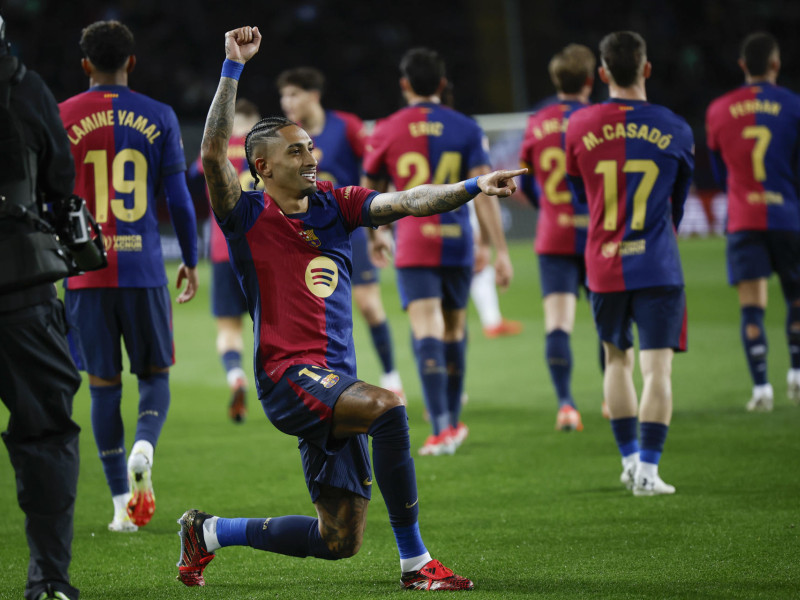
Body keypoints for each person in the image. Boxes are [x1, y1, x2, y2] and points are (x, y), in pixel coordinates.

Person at [176, 25, 524, 591]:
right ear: (262, 168)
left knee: (337, 541)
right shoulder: (245, 217)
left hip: (334, 377)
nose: (311, 156)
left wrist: (474, 186)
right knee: (388, 407)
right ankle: (416, 563)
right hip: (288, 376)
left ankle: (209, 532)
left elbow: (408, 200)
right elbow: (214, 152)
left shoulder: (337, 205)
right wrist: (232, 68)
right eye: (296, 151)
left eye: (310, 147)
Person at [59, 20, 199, 532]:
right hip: (142, 269)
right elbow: (180, 198)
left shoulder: (61, 116)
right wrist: (190, 257)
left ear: (85, 65)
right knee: (155, 376)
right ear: (131, 63)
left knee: (101, 388)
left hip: (85, 272)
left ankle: (122, 505)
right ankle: (145, 443)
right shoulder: (159, 115)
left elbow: (51, 198)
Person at [362, 47, 513, 456]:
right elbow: (484, 189)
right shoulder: (465, 127)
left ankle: (440, 427)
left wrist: (377, 233)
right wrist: (496, 247)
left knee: (425, 329)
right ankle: (453, 422)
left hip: (414, 242)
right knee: (454, 329)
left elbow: (369, 184)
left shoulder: (387, 129)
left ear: (404, 85)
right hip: (457, 241)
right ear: (443, 85)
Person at [565, 31, 694, 496]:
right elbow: (678, 206)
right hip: (658, 263)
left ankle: (628, 461)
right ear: (646, 69)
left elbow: (581, 194)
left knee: (615, 360)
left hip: (603, 263)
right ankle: (649, 471)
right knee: (657, 369)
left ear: (602, 74)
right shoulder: (676, 127)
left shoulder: (578, 125)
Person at [0, 14, 82, 600]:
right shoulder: (23, 86)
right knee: (46, 433)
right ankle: (48, 580)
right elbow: (59, 177)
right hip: (20, 284)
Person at [277, 67, 404, 398]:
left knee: (368, 306)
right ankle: (324, 385)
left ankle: (391, 377)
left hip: (349, 228)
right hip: (306, 236)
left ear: (313, 95)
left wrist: (378, 228)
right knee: (311, 313)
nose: (286, 101)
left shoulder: (346, 126)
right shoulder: (287, 135)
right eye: (284, 95)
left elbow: (376, 169)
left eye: (293, 94)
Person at [705, 32, 800, 412]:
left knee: (752, 306)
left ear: (743, 66)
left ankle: (761, 388)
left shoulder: (718, 110)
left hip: (743, 218)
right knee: (795, 296)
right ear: (775, 65)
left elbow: (716, 169)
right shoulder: (794, 106)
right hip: (787, 216)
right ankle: (796, 374)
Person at [519, 43, 596, 432]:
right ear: (591, 79)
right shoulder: (599, 118)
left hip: (554, 234)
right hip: (599, 233)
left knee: (558, 323)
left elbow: (527, 180)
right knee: (607, 322)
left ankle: (566, 404)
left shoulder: (538, 122)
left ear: (555, 79)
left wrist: (547, 206)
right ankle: (617, 401)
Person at [190, 98, 260, 423]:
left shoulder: (217, 146)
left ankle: (235, 376)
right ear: (255, 120)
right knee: (270, 325)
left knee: (228, 329)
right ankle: (281, 386)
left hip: (223, 251)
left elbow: (193, 172)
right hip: (263, 249)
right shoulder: (263, 145)